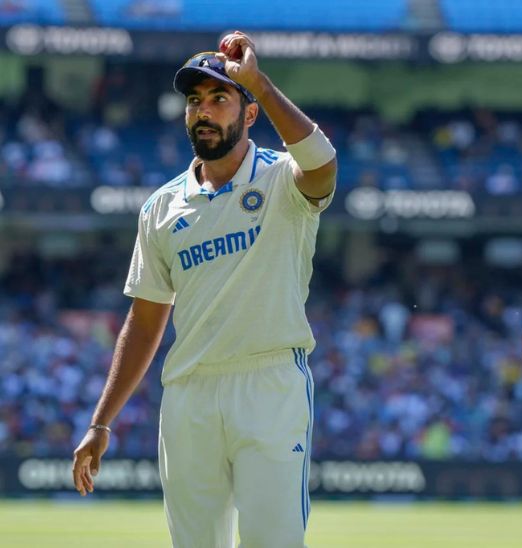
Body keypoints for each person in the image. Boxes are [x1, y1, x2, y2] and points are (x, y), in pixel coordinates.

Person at [72, 31, 337, 548]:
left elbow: (323, 164)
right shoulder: (161, 207)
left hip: (269, 384)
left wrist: (257, 80)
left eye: (220, 98)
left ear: (250, 114)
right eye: (195, 101)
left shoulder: (282, 179)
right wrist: (101, 422)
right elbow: (145, 322)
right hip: (189, 394)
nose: (204, 111)